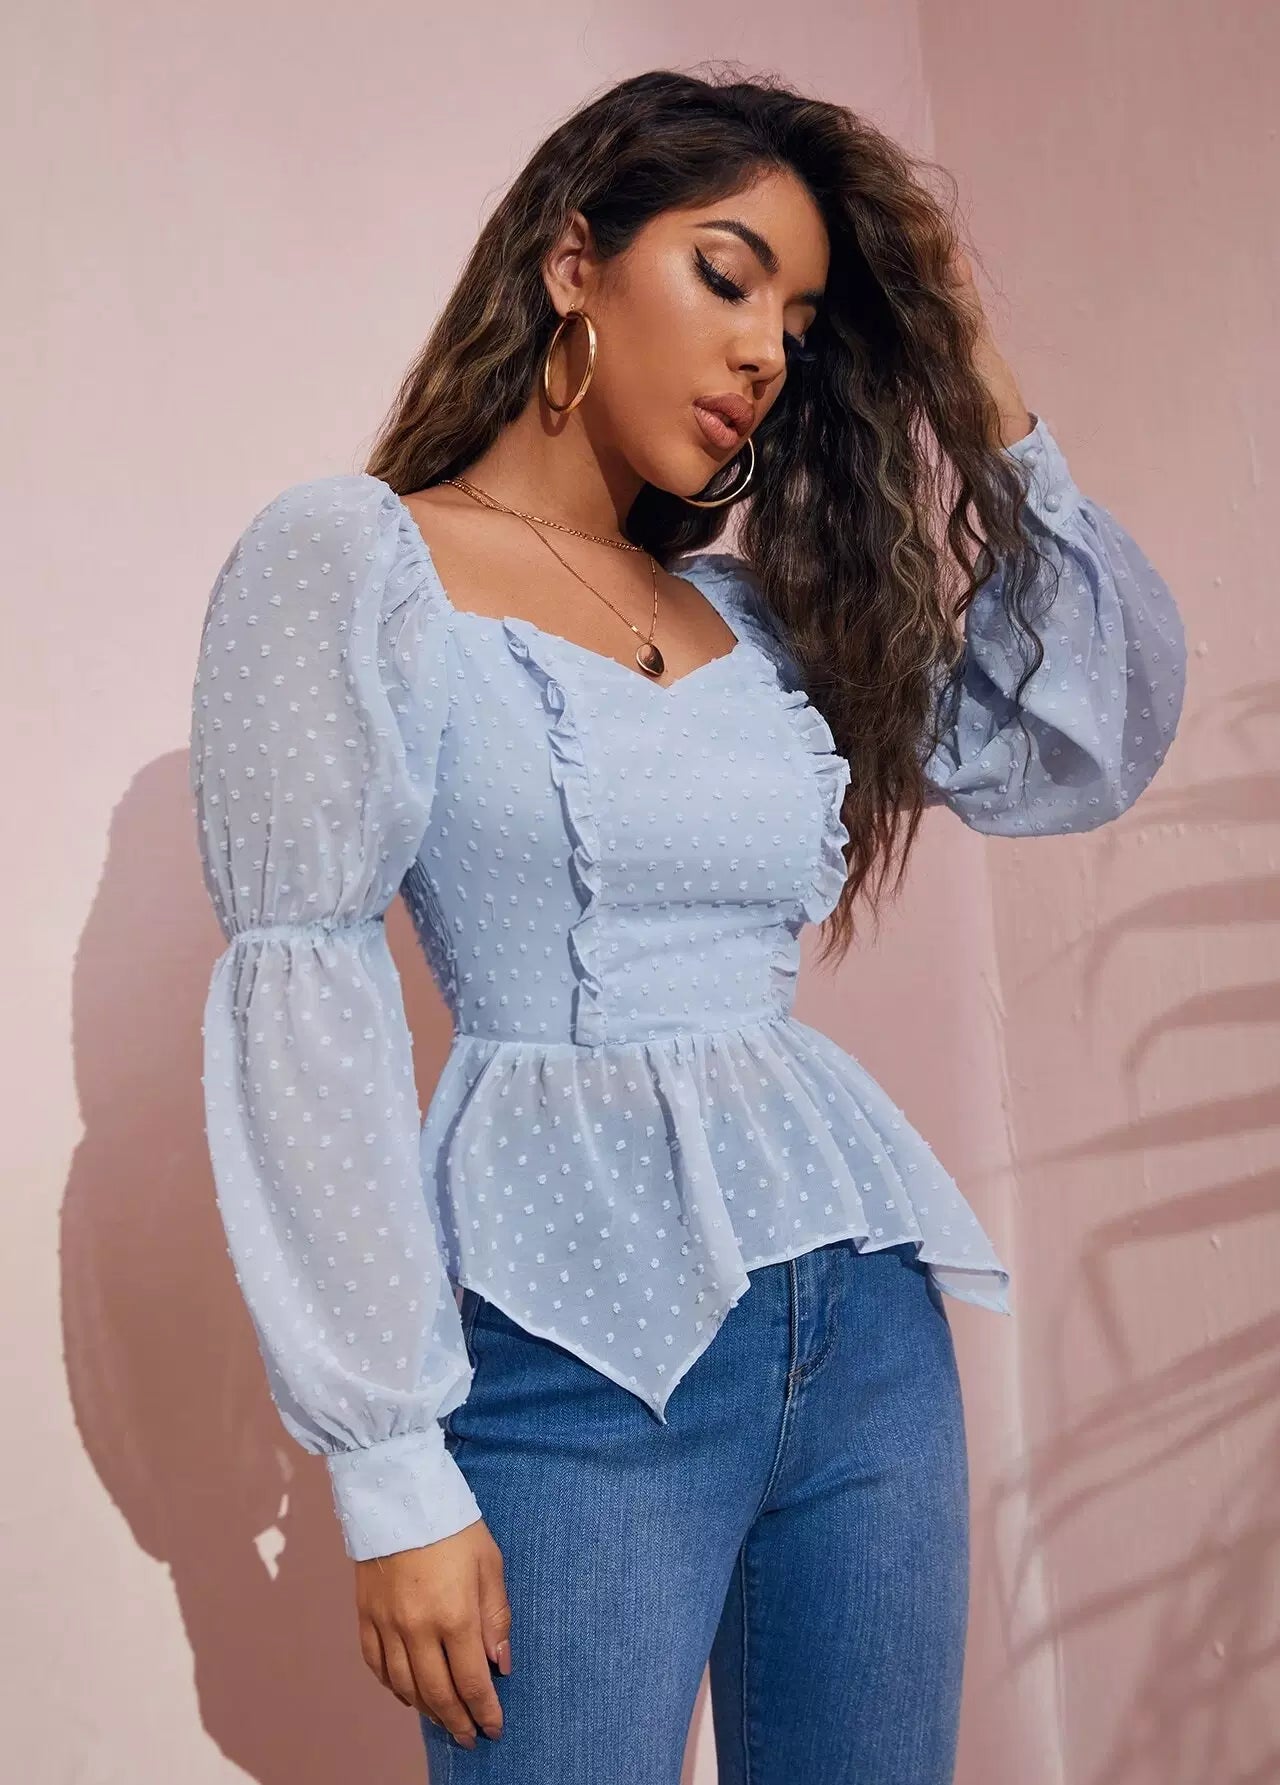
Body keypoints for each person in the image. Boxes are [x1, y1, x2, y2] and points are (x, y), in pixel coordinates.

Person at [189, 66, 1186, 1785]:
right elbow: (304, 994)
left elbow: (1089, 725)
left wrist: (958, 346)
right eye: (727, 278)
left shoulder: (769, 618)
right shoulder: (359, 564)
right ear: (574, 259)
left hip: (862, 1329)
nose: (764, 356)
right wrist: (392, 1470)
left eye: (799, 324)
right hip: (568, 1352)